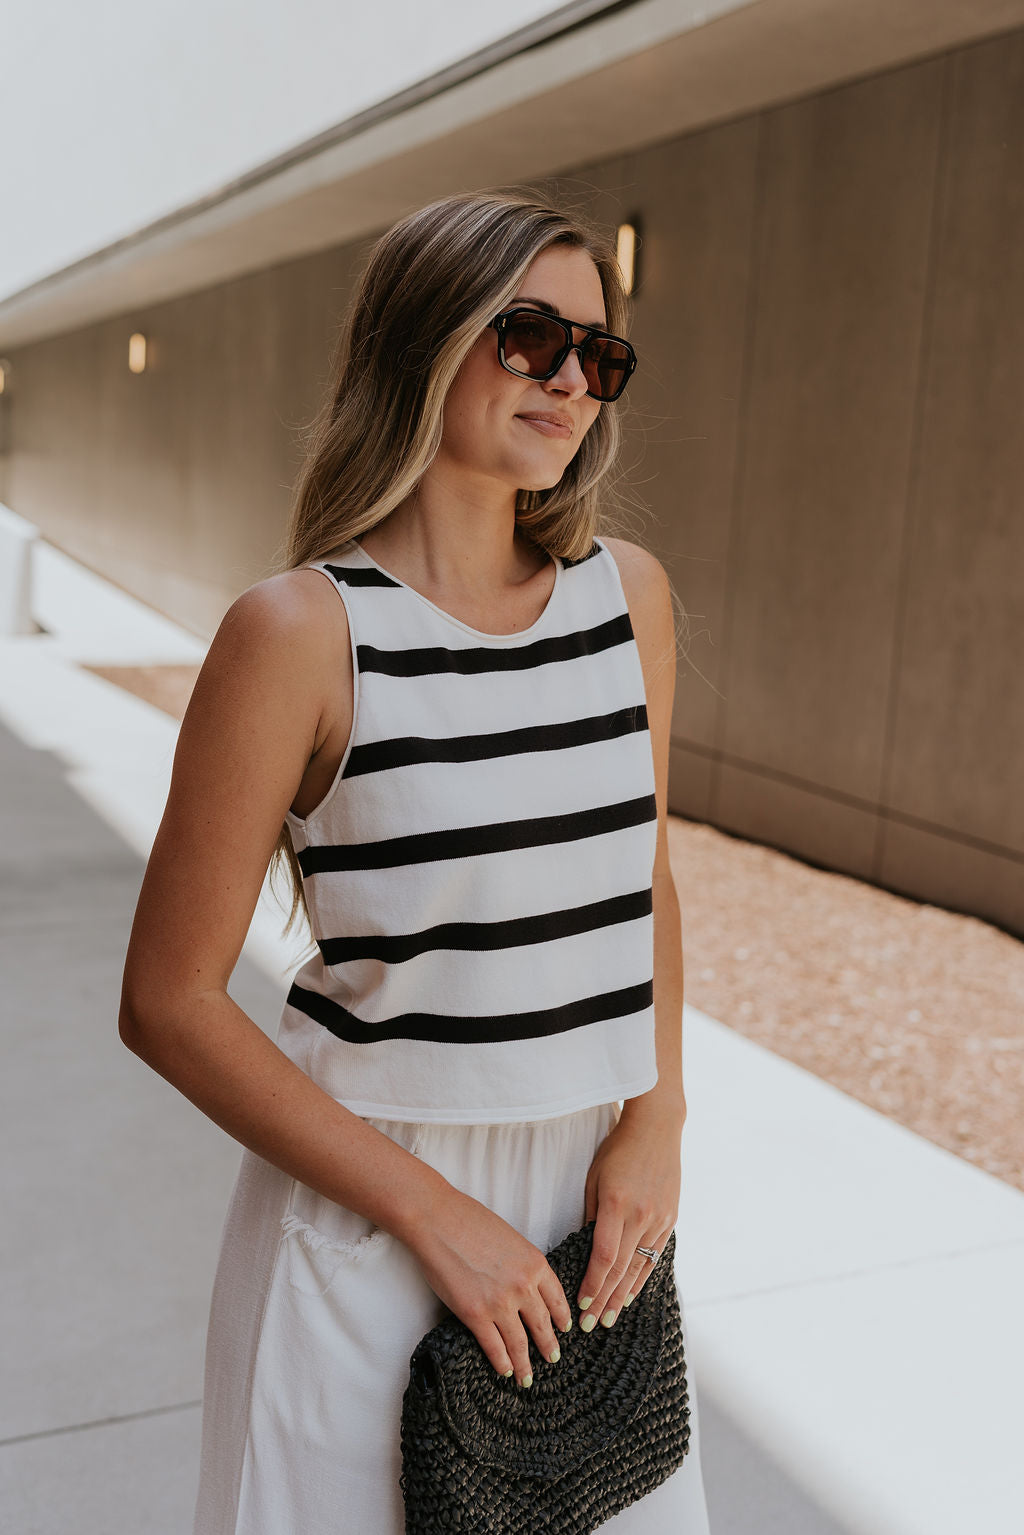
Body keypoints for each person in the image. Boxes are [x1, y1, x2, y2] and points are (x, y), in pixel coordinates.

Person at [119, 189, 711, 1534]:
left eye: (598, 355)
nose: (572, 378)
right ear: (423, 341)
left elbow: (644, 878)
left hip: (592, 1213)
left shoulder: (631, 599)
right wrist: (435, 1217)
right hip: (367, 1217)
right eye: (530, 337)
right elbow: (167, 1000)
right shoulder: (298, 634)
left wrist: (656, 1121)